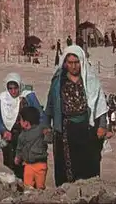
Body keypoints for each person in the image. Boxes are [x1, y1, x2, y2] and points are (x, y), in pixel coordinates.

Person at [44, 45, 108, 186]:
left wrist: (102, 125)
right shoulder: (58, 82)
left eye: (76, 62)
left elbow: (100, 104)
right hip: (65, 131)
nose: (74, 66)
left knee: (88, 168)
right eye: (70, 62)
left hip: (86, 129)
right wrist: (46, 126)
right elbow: (50, 105)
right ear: (65, 63)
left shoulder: (90, 80)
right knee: (66, 171)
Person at [0, 73, 45, 180]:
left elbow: (40, 114)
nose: (13, 91)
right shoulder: (2, 98)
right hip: (9, 136)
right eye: (10, 88)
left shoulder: (28, 96)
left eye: (16, 88)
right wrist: (3, 130)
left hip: (26, 136)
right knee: (10, 164)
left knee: (26, 164)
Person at [14, 106, 48, 190]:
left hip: (40, 164)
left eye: (21, 119)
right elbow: (19, 148)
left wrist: (47, 133)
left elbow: (49, 138)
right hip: (28, 164)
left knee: (40, 186)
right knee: (28, 186)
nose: (19, 122)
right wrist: (18, 157)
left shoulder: (40, 129)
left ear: (26, 122)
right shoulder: (22, 135)